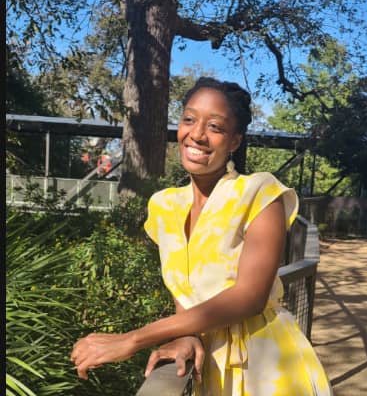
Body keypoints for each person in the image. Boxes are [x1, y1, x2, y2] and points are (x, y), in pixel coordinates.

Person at [70, 77, 333, 395]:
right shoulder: (165, 205)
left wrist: (133, 338)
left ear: (234, 141)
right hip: (207, 365)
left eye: (215, 127)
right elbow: (184, 290)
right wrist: (185, 334)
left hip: (266, 366)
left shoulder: (260, 192)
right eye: (189, 120)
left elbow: (249, 297)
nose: (197, 134)